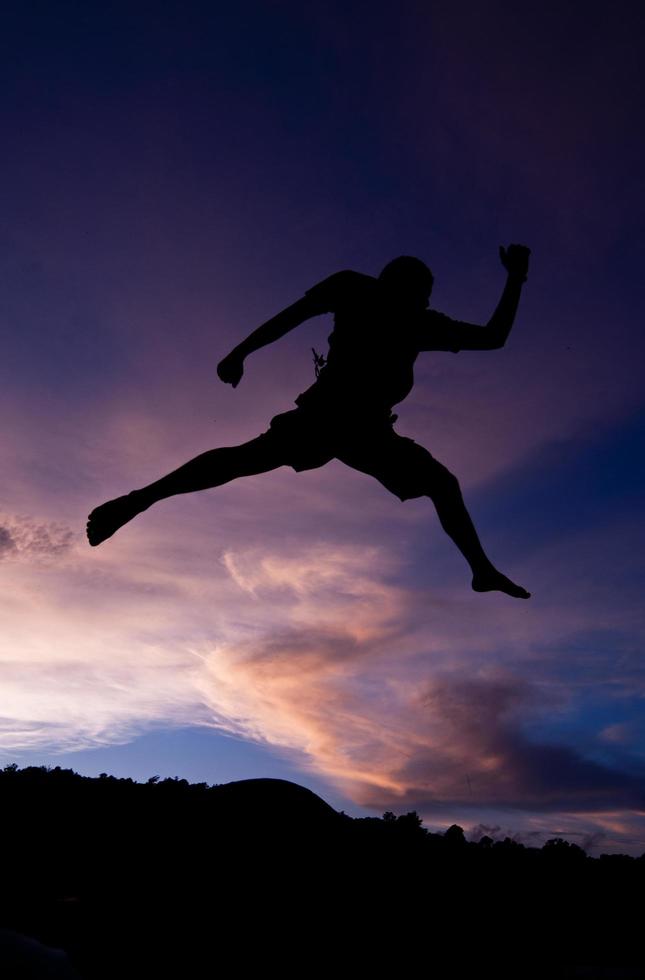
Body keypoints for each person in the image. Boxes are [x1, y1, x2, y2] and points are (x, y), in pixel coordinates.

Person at [87, 244, 531, 599]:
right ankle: (138, 500)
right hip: (326, 416)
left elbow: (493, 338)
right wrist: (240, 351)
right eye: (421, 289)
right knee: (243, 460)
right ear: (395, 284)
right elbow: (290, 317)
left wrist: (515, 279)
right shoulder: (357, 289)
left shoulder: (421, 321)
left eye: (426, 293)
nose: (425, 298)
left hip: (369, 429)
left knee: (441, 482)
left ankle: (482, 571)